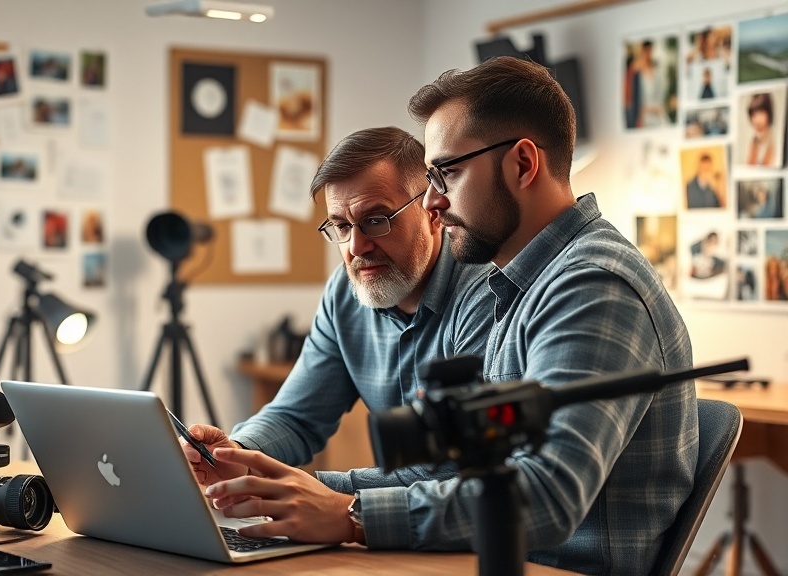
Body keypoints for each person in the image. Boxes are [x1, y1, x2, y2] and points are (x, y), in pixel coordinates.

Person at [204, 57, 695, 576]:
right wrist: (254, 470)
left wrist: (346, 510)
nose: (433, 202)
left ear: (524, 164)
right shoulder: (522, 283)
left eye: (447, 173)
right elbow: (484, 470)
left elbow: (545, 495)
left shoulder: (592, 286)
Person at [183, 126, 495, 543]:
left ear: (432, 212)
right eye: (340, 227)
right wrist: (238, 455)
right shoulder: (345, 292)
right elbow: (296, 416)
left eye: (375, 220)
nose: (355, 247)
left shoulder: (487, 291)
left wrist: (316, 493)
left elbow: (453, 473)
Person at [746, 92, 777, 167]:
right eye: (754, 114)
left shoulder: (775, 142)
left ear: (769, 114)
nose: (757, 121)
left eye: (761, 112)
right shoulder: (754, 142)